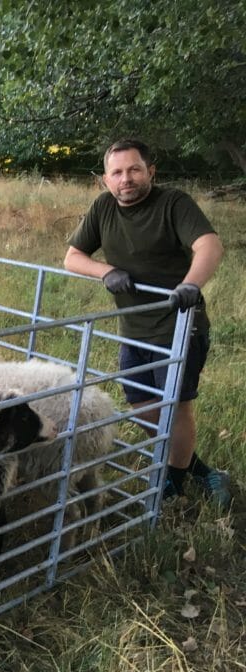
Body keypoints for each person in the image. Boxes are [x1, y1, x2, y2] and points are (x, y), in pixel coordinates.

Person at [63, 138, 231, 509]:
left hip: (180, 323)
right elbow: (72, 258)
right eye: (117, 172)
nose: (127, 178)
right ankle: (197, 469)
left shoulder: (173, 203)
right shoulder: (103, 207)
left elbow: (209, 245)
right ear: (105, 179)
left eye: (134, 169)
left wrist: (190, 283)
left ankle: (172, 483)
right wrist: (106, 271)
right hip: (134, 328)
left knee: (176, 405)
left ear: (150, 172)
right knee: (140, 403)